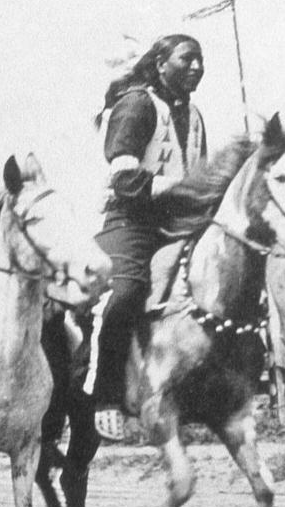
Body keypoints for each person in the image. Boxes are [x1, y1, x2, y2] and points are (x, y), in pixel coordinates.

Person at [88, 35, 207, 441]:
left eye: (200, 61)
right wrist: (184, 188)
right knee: (125, 294)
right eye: (186, 59)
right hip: (131, 220)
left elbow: (199, 175)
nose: (196, 67)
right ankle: (106, 395)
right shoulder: (137, 105)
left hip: (178, 223)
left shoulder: (197, 116)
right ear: (160, 64)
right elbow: (123, 178)